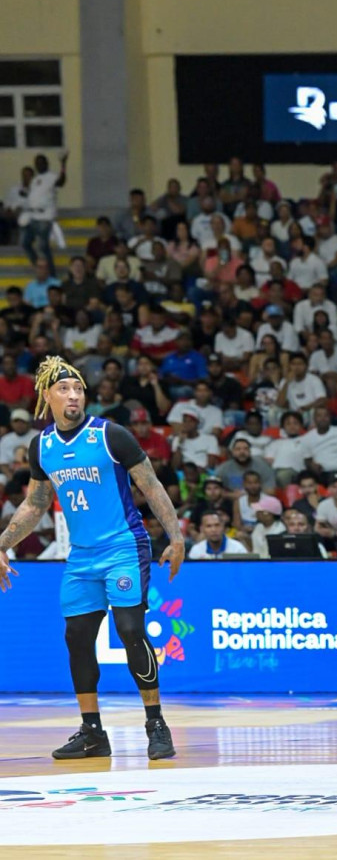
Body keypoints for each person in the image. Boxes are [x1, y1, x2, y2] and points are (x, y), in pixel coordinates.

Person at [0, 355, 184, 760]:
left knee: (130, 629)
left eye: (79, 389)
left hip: (124, 547)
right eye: (64, 389)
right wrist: (2, 544)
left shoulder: (110, 435)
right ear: (46, 396)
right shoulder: (42, 446)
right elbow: (35, 504)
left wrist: (175, 536)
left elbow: (151, 487)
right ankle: (92, 732)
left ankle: (156, 722)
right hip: (81, 557)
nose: (73, 395)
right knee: (77, 639)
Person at [21, 152, 68, 276]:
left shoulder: (52, 176)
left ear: (46, 163)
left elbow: (61, 182)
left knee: (43, 247)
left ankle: (51, 274)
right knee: (25, 242)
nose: (39, 165)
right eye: (37, 163)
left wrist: (63, 164)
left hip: (45, 217)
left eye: (41, 162)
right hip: (33, 216)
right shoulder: (35, 179)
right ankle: (40, 268)